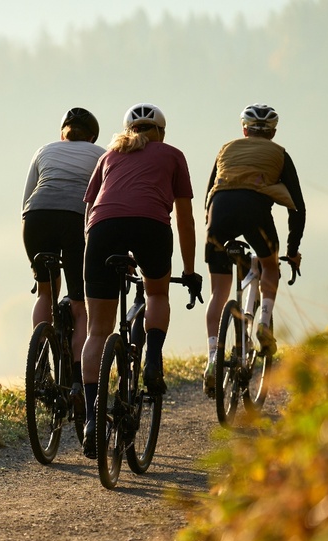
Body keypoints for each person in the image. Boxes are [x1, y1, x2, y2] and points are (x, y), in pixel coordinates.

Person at [80, 102, 202, 458]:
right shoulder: (173, 155)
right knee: (156, 294)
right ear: (160, 133)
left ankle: (92, 421)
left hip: (102, 230)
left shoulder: (109, 155)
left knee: (96, 333)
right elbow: (185, 218)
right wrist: (191, 270)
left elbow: (89, 212)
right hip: (151, 227)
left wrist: (96, 257)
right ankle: (152, 357)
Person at [202, 104, 305, 397]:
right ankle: (263, 325)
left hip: (218, 215)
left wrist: (211, 229)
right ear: (273, 132)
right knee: (270, 266)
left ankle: (212, 359)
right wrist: (293, 249)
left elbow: (210, 191)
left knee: (218, 294)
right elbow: (298, 207)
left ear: (244, 130)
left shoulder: (226, 148)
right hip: (255, 213)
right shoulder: (280, 154)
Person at [21, 107, 106, 399]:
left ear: (63, 132)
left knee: (45, 292)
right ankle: (79, 378)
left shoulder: (44, 150)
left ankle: (40, 363)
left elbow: (26, 199)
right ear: (92, 137)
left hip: (36, 218)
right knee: (80, 306)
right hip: (75, 220)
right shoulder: (100, 155)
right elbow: (103, 200)